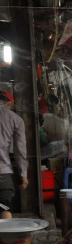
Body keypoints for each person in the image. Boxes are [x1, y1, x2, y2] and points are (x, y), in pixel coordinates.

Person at [0, 90, 28, 219]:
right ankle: (7, 239)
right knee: (4, 208)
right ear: (9, 103)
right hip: (2, 173)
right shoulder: (15, 119)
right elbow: (19, 149)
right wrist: (23, 175)